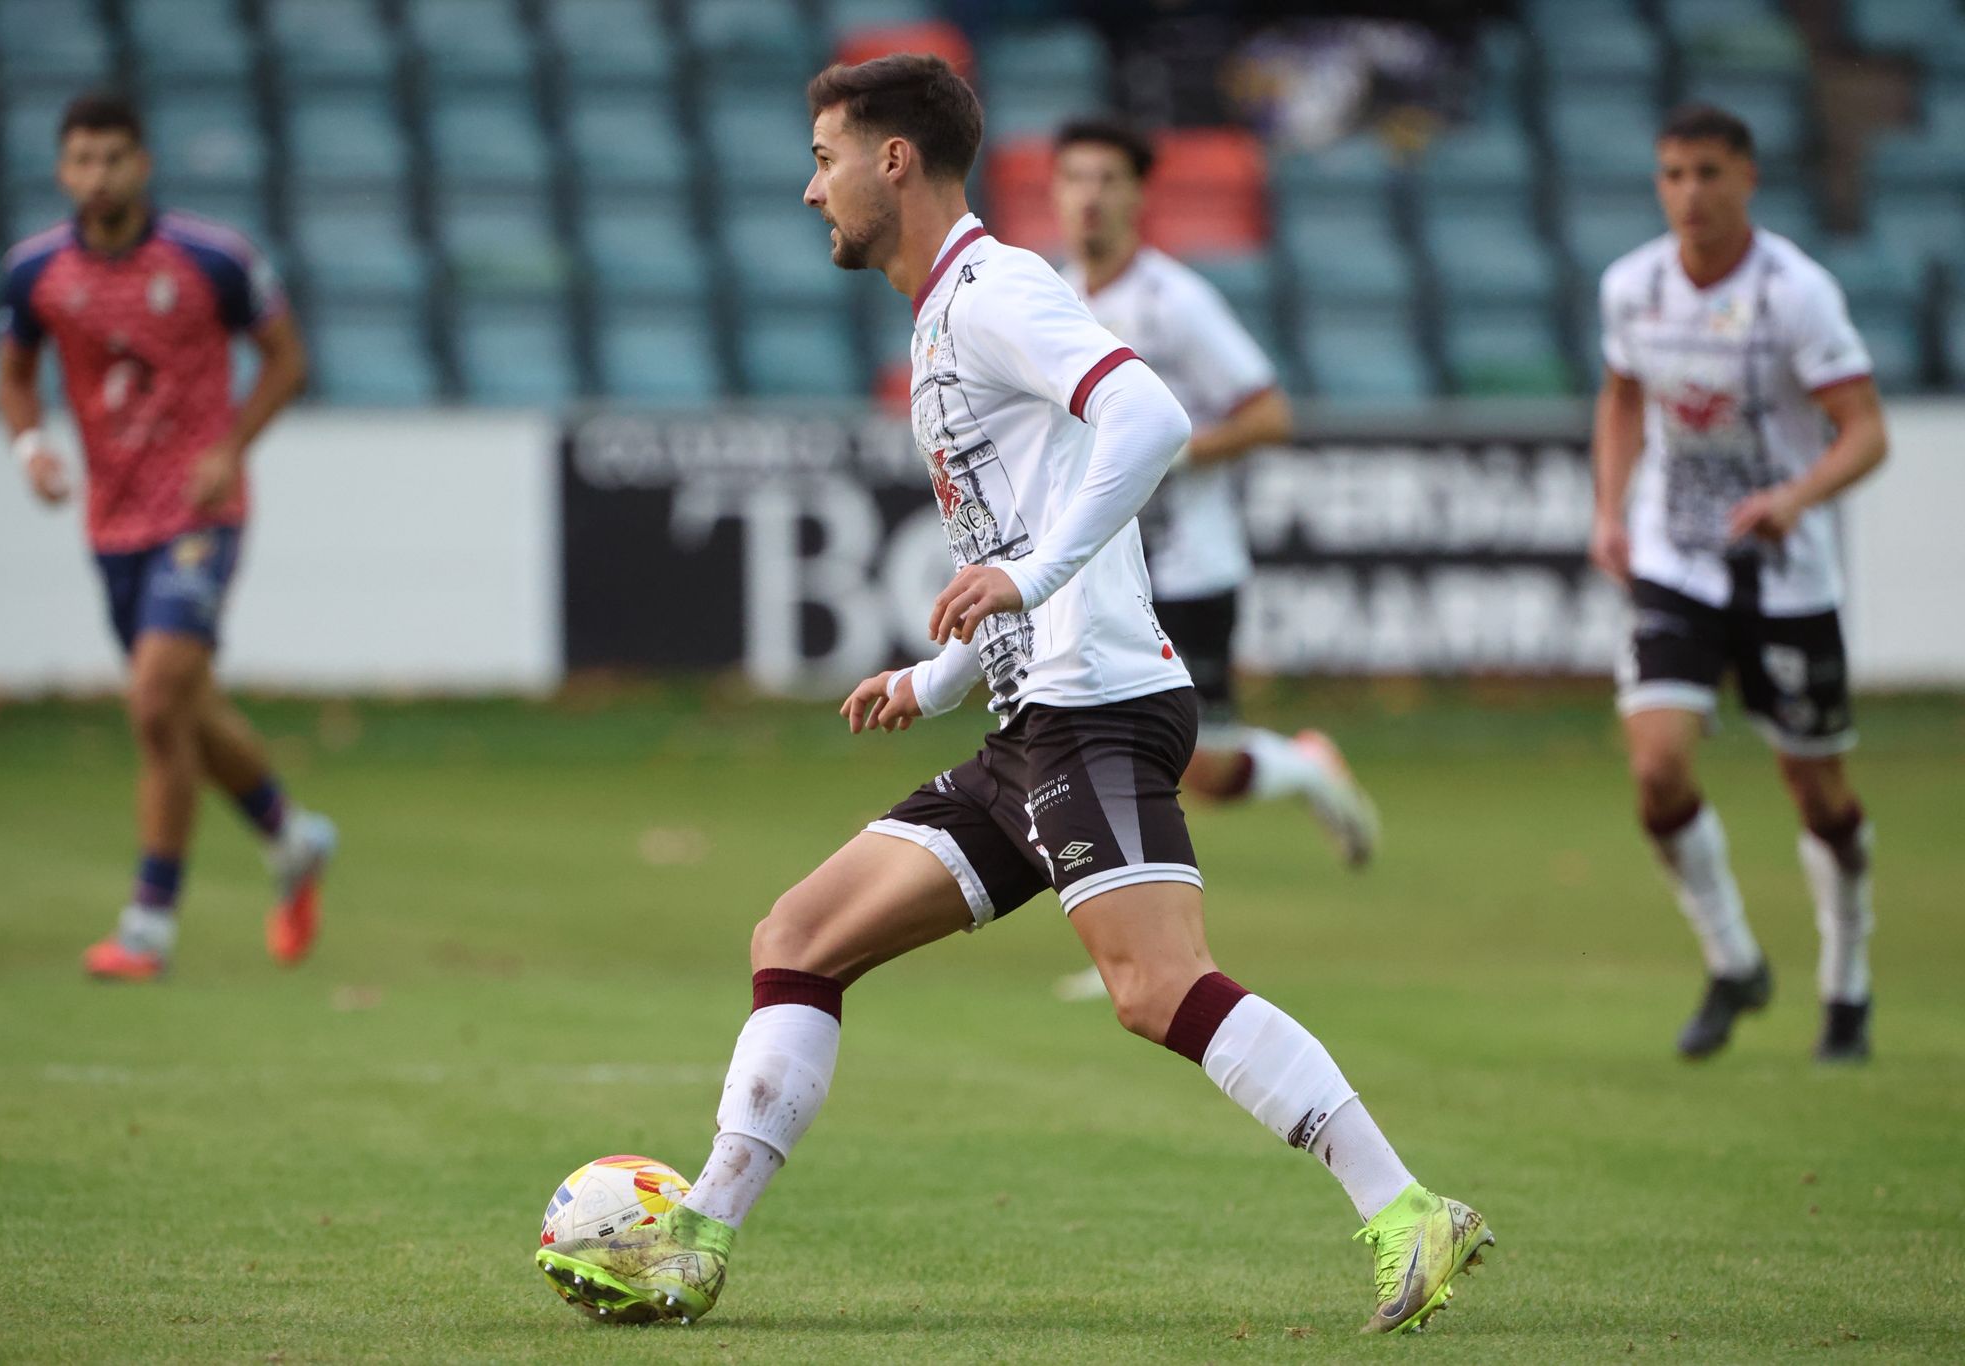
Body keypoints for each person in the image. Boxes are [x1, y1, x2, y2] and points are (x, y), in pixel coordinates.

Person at [536, 55, 1491, 1335]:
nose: (807, 188)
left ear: (891, 160)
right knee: (797, 938)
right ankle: (697, 1237)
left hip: (1095, 706)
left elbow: (1145, 417)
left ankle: (1407, 1208)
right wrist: (933, 674)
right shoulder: (938, 311)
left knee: (1157, 988)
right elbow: (1026, 514)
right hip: (1025, 721)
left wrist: (1026, 575)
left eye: (823, 158)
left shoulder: (995, 289)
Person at [0, 91, 334, 981]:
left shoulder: (212, 259)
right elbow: (16, 373)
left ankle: (147, 924)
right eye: (81, 161)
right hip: (111, 519)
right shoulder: (35, 273)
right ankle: (289, 837)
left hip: (199, 510)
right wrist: (30, 447)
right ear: (62, 170)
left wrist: (231, 447)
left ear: (142, 164)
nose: (96, 176)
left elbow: (288, 358)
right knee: (180, 709)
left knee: (152, 700)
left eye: (112, 158)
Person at [1590, 104, 1888, 1062]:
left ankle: (1845, 981)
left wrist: (1796, 497)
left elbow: (1866, 430)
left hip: (1785, 575)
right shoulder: (1631, 287)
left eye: (1709, 173)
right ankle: (1734, 962)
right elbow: (1623, 393)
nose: (1690, 194)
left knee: (1819, 795)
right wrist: (1609, 508)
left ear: (1747, 179)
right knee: (1656, 766)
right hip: (1677, 559)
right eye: (1673, 174)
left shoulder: (1797, 293)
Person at [1050, 117, 1378, 867]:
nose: (1090, 197)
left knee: (1206, 770)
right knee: (1092, 744)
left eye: (1108, 179)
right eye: (1075, 178)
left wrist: (1171, 450)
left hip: (1191, 563)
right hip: (1101, 568)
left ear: (1138, 195)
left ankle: (1305, 766)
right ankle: (1127, 929)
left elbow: (1268, 415)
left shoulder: (1176, 302)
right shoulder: (1051, 300)